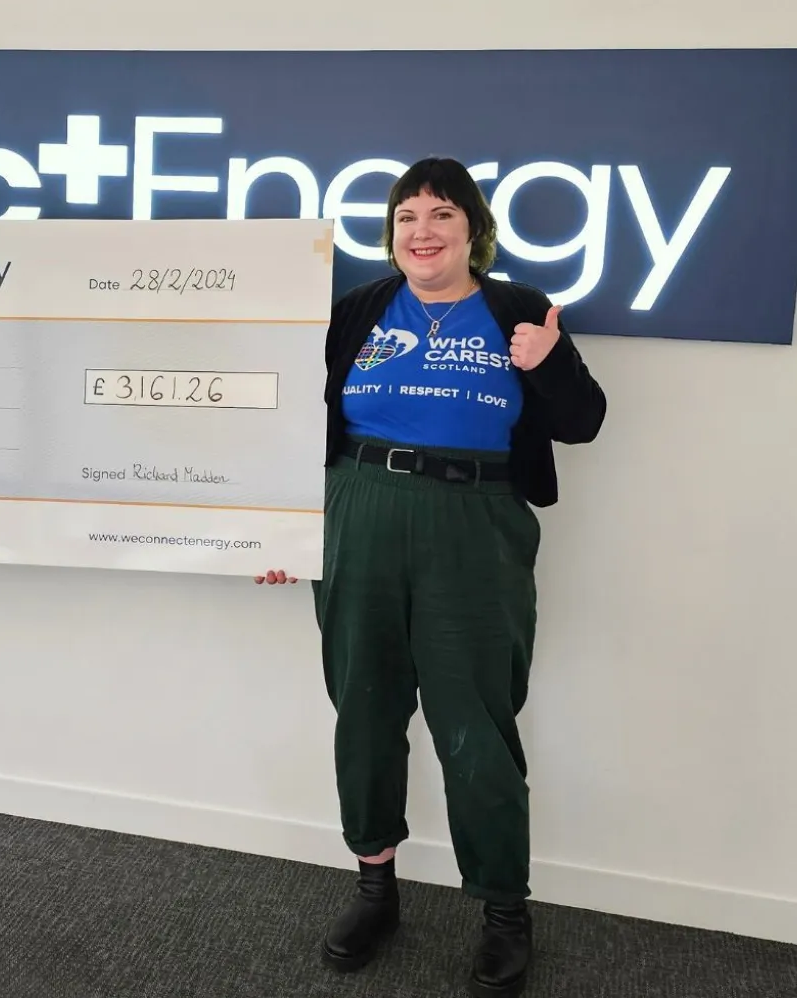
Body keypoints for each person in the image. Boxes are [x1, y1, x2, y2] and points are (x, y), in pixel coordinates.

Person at [257, 157, 606, 996]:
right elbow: (291, 422)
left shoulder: (520, 310)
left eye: (441, 213)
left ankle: (503, 913)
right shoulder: (362, 311)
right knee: (366, 706)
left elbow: (583, 423)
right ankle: (376, 887)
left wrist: (548, 361)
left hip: (475, 525)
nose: (423, 229)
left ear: (471, 228)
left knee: (477, 723)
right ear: (392, 232)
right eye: (408, 214)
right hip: (361, 511)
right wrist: (271, 531)